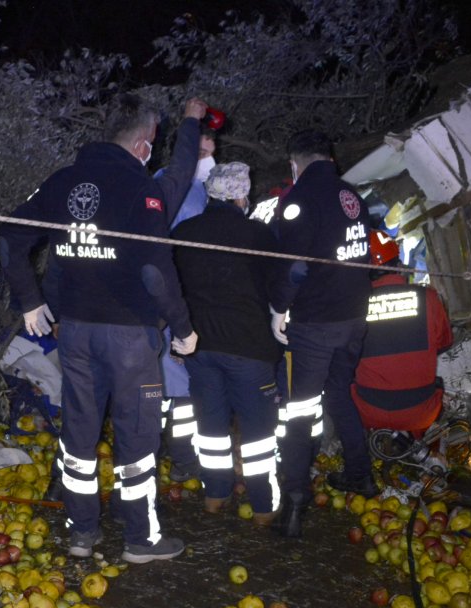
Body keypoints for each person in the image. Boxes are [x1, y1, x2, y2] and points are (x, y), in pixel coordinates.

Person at [0, 94, 200, 564]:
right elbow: (155, 270)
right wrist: (183, 328)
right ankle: (140, 539)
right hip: (130, 337)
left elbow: (10, 233)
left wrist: (29, 299)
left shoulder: (61, 183)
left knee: (80, 434)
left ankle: (81, 533)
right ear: (145, 143)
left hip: (76, 334)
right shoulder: (143, 192)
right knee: (137, 435)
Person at [269, 129, 376, 537]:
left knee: (298, 413)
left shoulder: (299, 200)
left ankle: (294, 502)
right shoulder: (353, 198)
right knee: (338, 393)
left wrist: (279, 308)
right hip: (354, 319)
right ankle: (360, 474)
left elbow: (294, 266)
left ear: (295, 164)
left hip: (315, 325)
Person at [172, 161, 283, 522]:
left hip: (200, 349)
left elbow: (172, 290)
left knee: (211, 431)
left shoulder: (183, 233)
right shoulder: (258, 235)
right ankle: (264, 508)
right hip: (249, 350)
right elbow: (279, 288)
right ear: (242, 196)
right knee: (258, 435)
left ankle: (214, 498)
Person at [155, 126, 219, 484]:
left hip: (172, 297)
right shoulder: (187, 191)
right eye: (204, 153)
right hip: (176, 298)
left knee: (170, 385)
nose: (209, 158)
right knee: (176, 387)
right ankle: (180, 458)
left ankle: (167, 454)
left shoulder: (167, 182)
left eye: (211, 151)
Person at [352, 231, 453, 435]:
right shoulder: (428, 298)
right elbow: (444, 343)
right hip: (421, 414)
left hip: (367, 413)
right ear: (398, 263)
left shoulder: (352, 306)